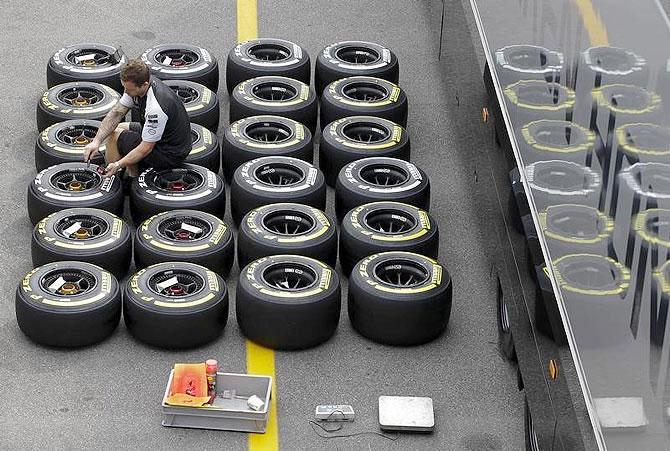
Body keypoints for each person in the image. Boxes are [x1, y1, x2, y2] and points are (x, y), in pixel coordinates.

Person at [82, 58, 191, 178]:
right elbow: (116, 113)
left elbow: (145, 148)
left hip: (170, 152)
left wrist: (118, 165)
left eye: (129, 89)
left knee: (115, 137)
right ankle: (131, 170)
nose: (126, 92)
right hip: (163, 136)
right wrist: (96, 141)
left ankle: (117, 180)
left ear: (144, 85)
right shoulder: (140, 85)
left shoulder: (155, 107)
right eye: (124, 87)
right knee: (117, 128)